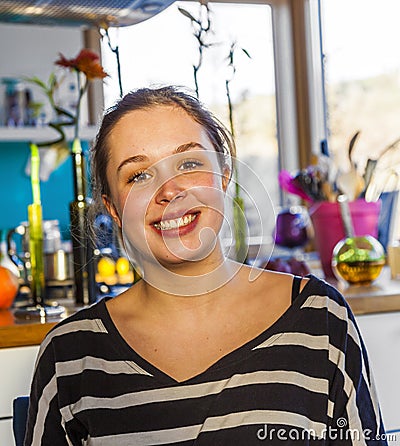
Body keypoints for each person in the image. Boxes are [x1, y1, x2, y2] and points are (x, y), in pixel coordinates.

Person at [25, 86, 387, 445]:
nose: (169, 190)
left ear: (224, 177)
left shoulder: (320, 317)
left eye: (189, 163)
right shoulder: (69, 356)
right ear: (114, 209)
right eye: (138, 175)